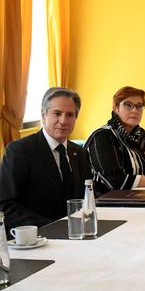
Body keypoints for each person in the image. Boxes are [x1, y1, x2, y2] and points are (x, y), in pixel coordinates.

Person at [0, 87, 93, 232]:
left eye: (70, 115)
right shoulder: (19, 151)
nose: (63, 121)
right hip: (36, 238)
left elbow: (86, 195)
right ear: (43, 115)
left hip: (77, 234)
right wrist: (53, 228)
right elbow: (5, 205)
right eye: (57, 113)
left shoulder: (80, 153)